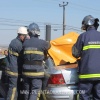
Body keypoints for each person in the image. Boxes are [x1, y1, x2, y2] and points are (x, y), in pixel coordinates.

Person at [72, 15, 100, 100]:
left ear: (86, 25)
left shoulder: (83, 36)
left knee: (84, 97)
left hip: (86, 75)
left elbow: (75, 53)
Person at [22, 22, 50, 100]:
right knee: (35, 92)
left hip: (26, 72)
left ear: (29, 32)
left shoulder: (25, 43)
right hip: (36, 72)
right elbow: (49, 46)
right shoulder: (42, 43)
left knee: (26, 92)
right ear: (38, 32)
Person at [6, 26, 28, 100]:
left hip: (14, 70)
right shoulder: (17, 43)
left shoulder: (14, 41)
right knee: (13, 89)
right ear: (21, 35)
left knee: (16, 89)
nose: (25, 38)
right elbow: (24, 54)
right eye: (25, 36)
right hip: (13, 70)